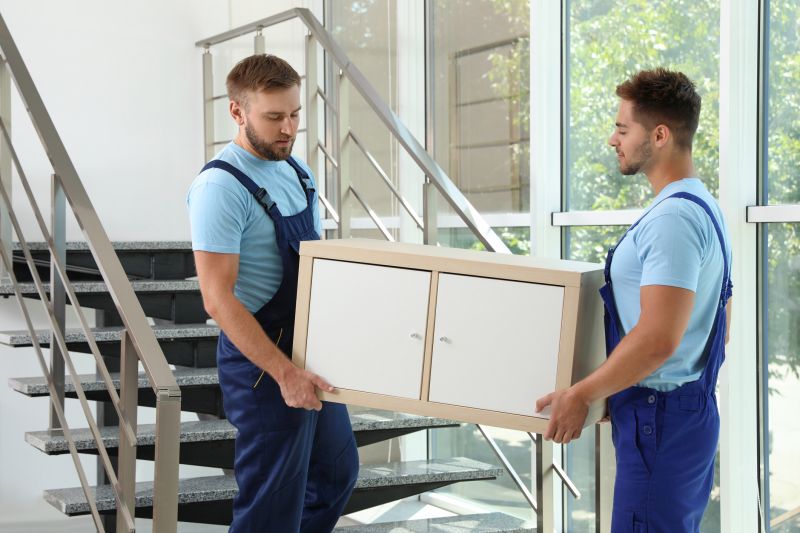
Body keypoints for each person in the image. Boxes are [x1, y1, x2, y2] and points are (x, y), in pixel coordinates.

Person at [535, 68, 733, 532]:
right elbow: (721, 321)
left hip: (659, 420)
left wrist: (583, 394)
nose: (612, 139)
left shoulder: (674, 220)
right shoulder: (703, 206)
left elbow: (659, 340)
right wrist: (617, 388)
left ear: (659, 135)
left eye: (623, 128)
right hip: (679, 412)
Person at [187, 54, 359, 532]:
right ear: (237, 112)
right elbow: (217, 300)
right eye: (274, 117)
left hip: (310, 347)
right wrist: (284, 373)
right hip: (263, 366)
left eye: (295, 114)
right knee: (271, 506)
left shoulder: (297, 170)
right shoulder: (220, 188)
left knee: (336, 476)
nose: (289, 128)